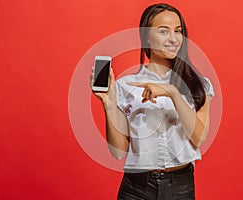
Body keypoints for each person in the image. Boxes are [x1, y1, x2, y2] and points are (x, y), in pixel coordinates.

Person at [91, 3, 214, 200]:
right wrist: (108, 104)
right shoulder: (125, 86)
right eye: (163, 31)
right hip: (136, 189)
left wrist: (172, 92)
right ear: (146, 35)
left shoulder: (199, 84)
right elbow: (118, 152)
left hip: (180, 188)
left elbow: (198, 138)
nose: (173, 38)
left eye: (178, 31)